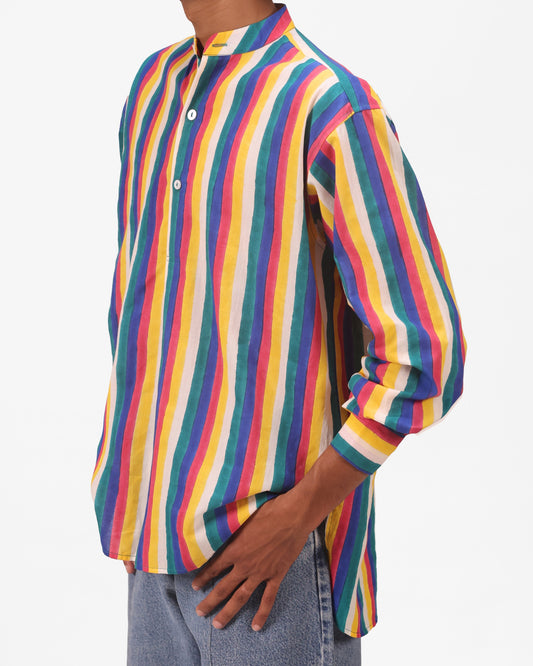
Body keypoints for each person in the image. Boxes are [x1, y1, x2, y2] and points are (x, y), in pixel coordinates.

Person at [91, 1, 466, 663]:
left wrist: (299, 516)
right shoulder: (153, 90)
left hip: (272, 569)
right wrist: (137, 492)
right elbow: (140, 308)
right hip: (152, 559)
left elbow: (424, 351)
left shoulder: (331, 107)